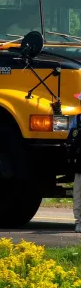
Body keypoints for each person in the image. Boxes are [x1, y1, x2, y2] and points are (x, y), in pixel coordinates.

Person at [67, 92, 81, 233]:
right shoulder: (77, 120)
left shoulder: (77, 120)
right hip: (80, 164)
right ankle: (79, 222)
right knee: (77, 194)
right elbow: (70, 139)